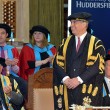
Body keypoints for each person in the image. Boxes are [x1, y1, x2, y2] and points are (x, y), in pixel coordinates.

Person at [53, 12, 106, 109]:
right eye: (71, 22)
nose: (71, 25)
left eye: (74, 22)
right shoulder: (65, 42)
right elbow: (56, 63)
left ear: (84, 24)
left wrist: (78, 80)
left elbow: (97, 66)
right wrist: (66, 79)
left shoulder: (96, 43)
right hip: (67, 88)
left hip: (87, 88)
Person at [0, 23, 27, 100]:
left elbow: (17, 71)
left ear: (7, 35)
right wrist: (5, 63)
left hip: (10, 75)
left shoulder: (13, 49)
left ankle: (22, 105)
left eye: (3, 33)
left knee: (24, 84)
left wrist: (13, 65)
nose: (0, 35)